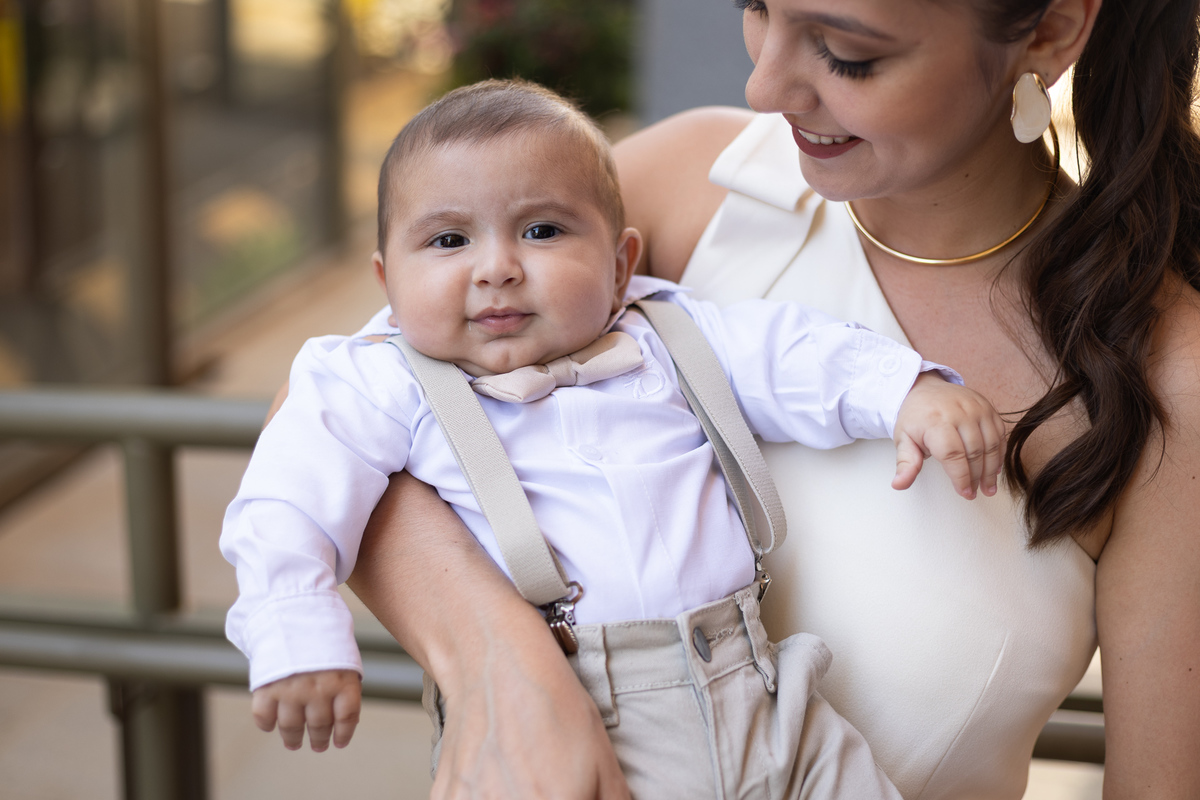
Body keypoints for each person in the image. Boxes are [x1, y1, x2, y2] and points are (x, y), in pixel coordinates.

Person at [333, 1, 1200, 798]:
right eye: (756, 5)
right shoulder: (688, 186)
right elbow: (330, 412)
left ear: (1049, 29)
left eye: (846, 53)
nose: (762, 85)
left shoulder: (1164, 372)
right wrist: (498, 663)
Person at [223, 79, 1006, 799]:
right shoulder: (379, 380)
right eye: (448, 242)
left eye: (540, 229)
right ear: (387, 280)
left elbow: (795, 352)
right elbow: (288, 494)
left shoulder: (668, 329)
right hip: (581, 712)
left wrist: (905, 391)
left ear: (621, 259)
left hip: (765, 691)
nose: (496, 268)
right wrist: (295, 626)